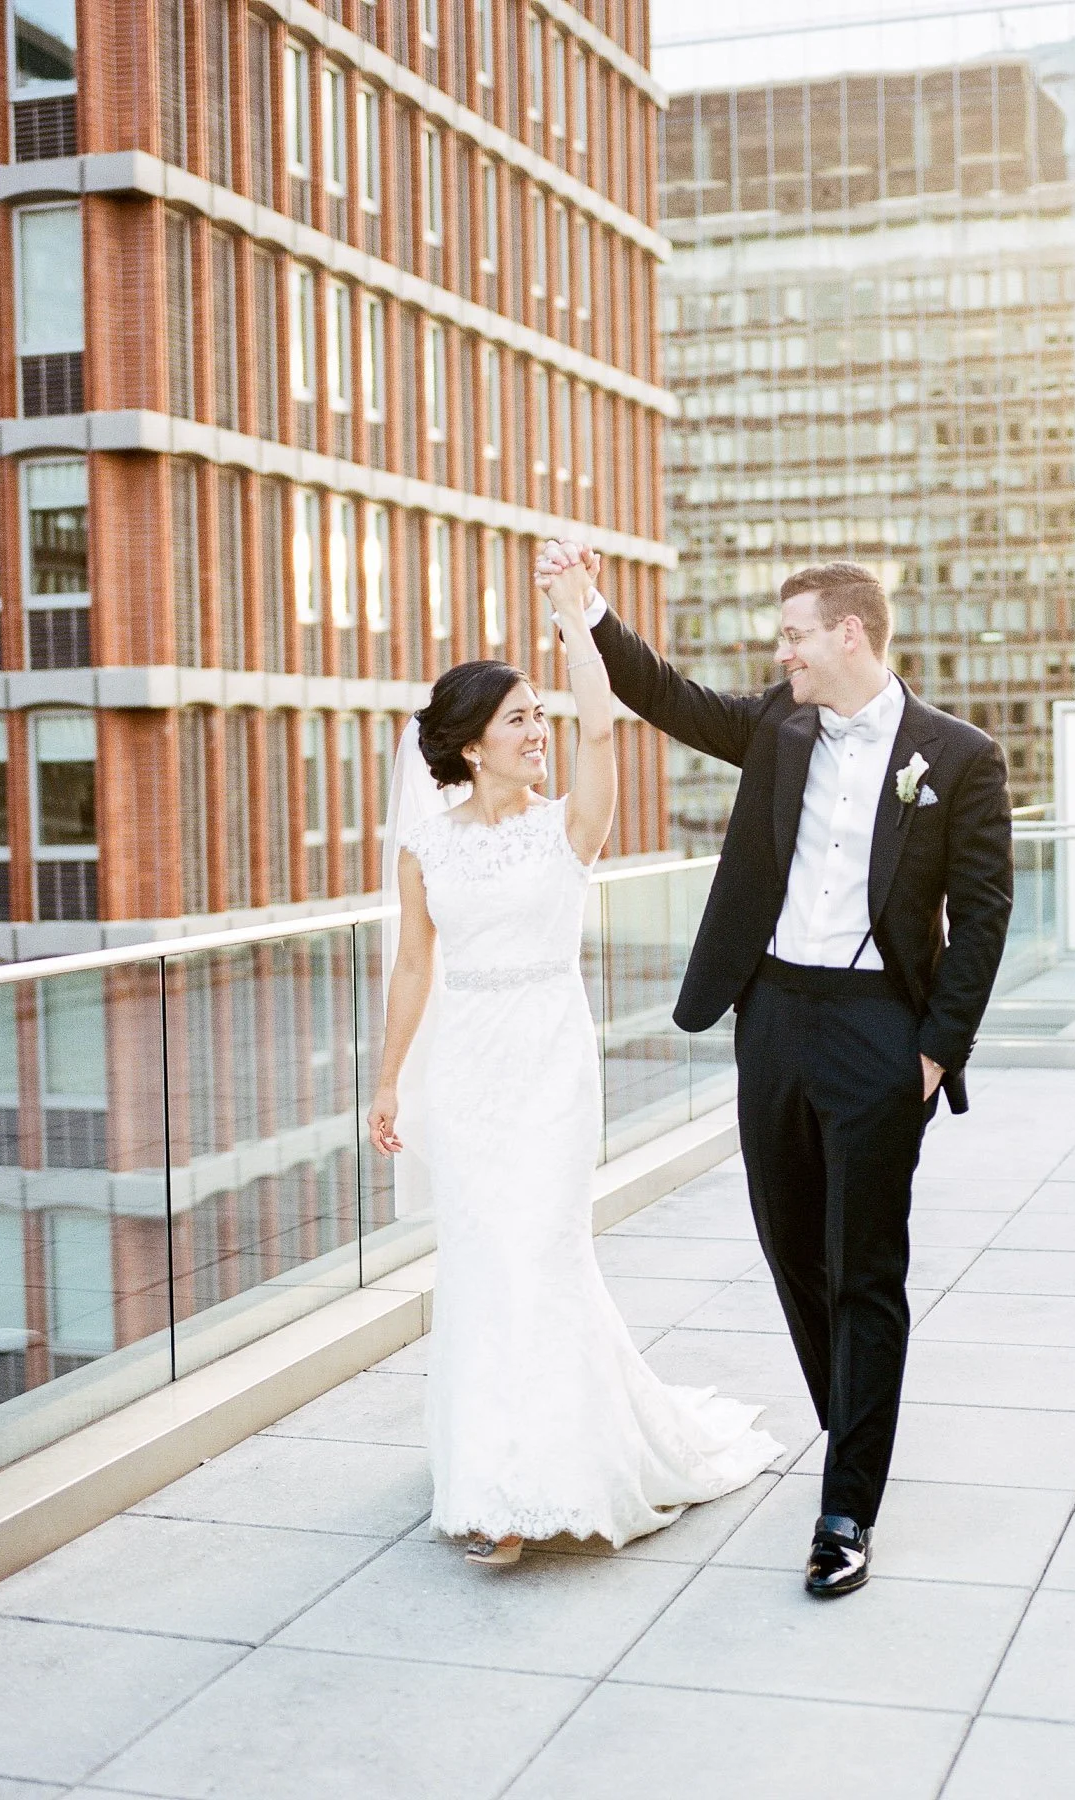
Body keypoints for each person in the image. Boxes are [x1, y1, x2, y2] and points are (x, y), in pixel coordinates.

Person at [535, 541, 1014, 1597]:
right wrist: (586, 607)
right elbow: (664, 694)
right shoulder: (777, 728)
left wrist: (935, 1050)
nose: (782, 651)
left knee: (864, 1266)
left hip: (882, 1033)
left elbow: (984, 916)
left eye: (795, 634)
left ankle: (846, 1508)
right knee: (792, 1246)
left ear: (850, 633)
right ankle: (857, 1424)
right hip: (775, 1020)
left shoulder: (959, 756)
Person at [368, 554, 782, 1566]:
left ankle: (545, 1475)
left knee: (540, 1254)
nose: (536, 732)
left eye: (536, 716)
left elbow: (601, 728)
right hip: (466, 1071)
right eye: (516, 720)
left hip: (551, 1062)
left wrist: (573, 620)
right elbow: (415, 966)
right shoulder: (424, 849)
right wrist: (387, 1082)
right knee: (482, 1264)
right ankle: (492, 1480)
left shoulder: (570, 828)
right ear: (471, 745)